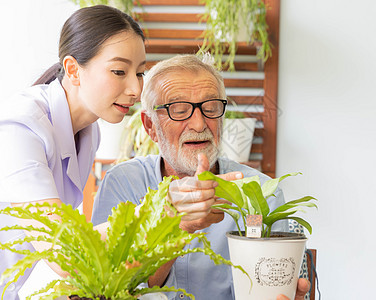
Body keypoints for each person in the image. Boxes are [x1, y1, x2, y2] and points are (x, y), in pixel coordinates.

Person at [91, 54, 310, 300]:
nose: (198, 124)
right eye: (179, 110)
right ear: (150, 126)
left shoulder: (260, 191)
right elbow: (108, 290)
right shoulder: (123, 183)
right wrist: (177, 226)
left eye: (210, 108)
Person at [0, 5, 147, 299]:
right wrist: (158, 210)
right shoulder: (20, 125)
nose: (135, 89)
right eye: (119, 71)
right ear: (72, 69)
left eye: (140, 73)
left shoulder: (89, 132)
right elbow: (64, 248)